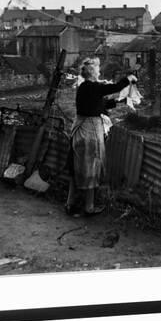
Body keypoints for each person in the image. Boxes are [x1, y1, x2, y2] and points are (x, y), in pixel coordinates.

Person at [65, 57, 137, 216]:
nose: (99, 71)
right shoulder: (93, 86)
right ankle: (89, 207)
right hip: (90, 133)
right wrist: (129, 78)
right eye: (97, 69)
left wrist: (121, 101)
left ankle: (70, 204)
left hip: (80, 131)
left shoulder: (85, 88)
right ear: (92, 72)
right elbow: (115, 87)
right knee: (92, 168)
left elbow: (100, 105)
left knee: (76, 169)